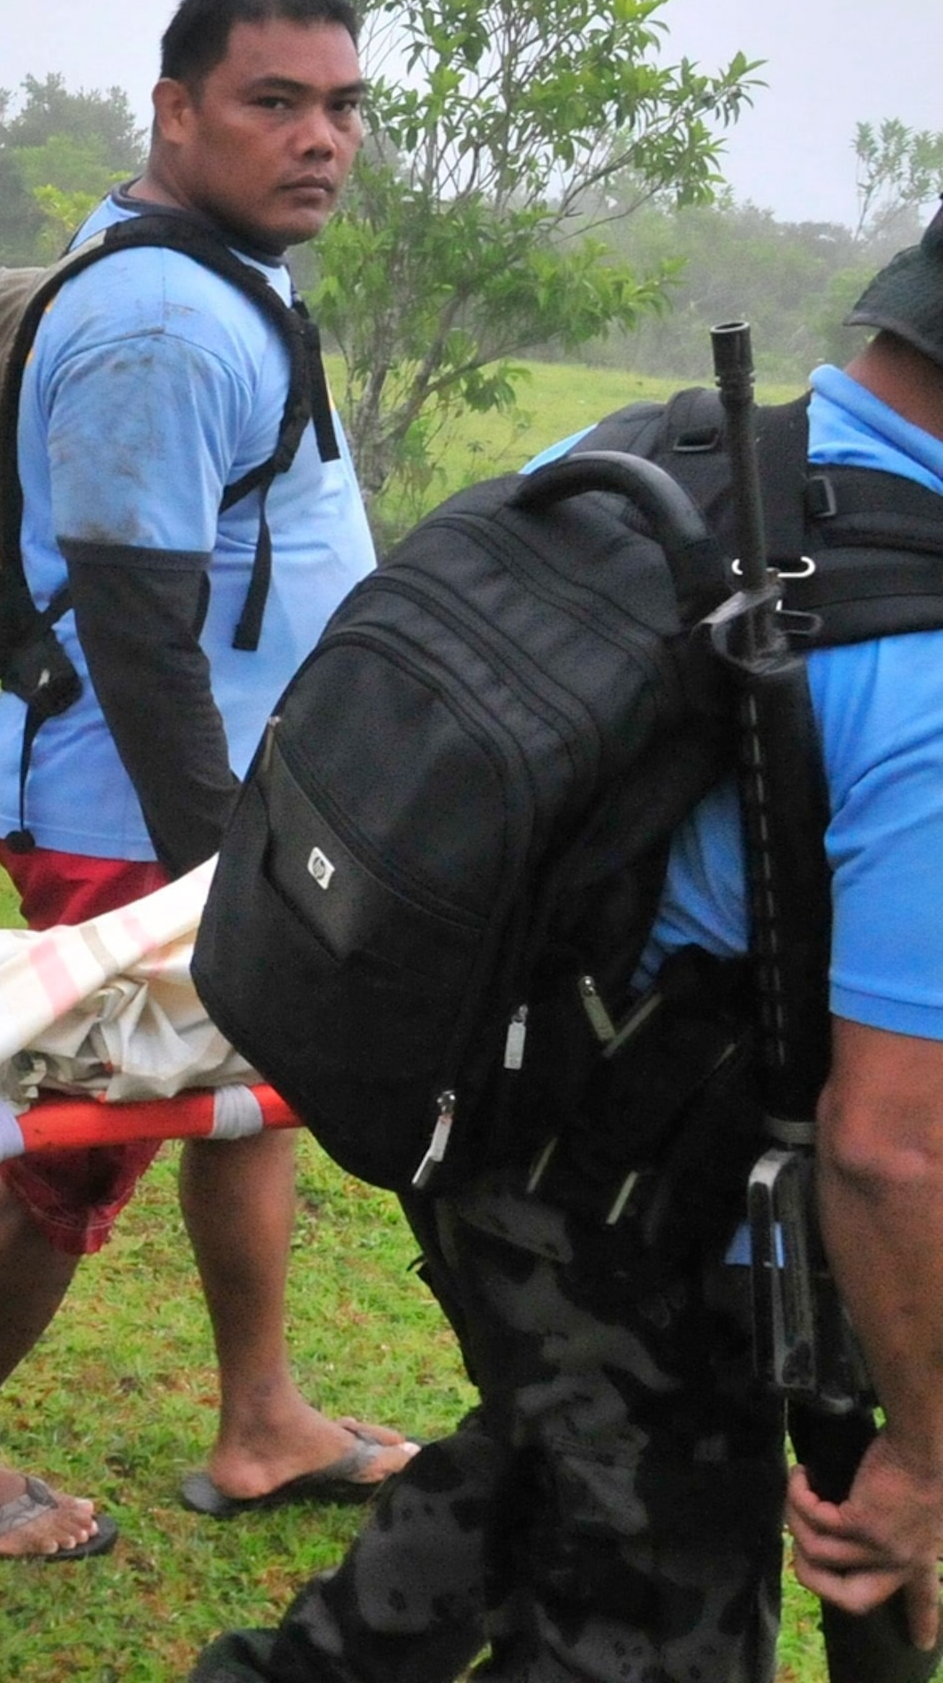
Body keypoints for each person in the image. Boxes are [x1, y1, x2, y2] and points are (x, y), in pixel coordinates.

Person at [194, 208, 943, 1680]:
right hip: (636, 1200)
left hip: (475, 1109)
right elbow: (892, 1149)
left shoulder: (661, 455)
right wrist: (923, 1453)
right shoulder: (919, 665)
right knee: (655, 1605)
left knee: (556, 1443)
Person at [0, 0, 413, 1560]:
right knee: (80, 1139)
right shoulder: (162, 323)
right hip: (129, 812)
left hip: (220, 794)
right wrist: (218, 881)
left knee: (249, 1093)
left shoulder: (230, 270)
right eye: (274, 103)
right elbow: (143, 637)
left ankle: (263, 1421)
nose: (321, 140)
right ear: (176, 113)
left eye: (342, 105)